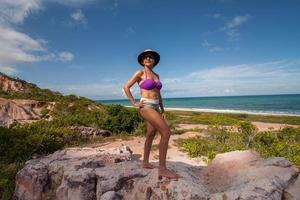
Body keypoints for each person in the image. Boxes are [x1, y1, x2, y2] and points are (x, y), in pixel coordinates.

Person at [123, 49, 181, 180]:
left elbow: (158, 94)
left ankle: (145, 162)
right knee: (166, 132)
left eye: (150, 57)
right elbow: (126, 87)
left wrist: (162, 109)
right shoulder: (140, 73)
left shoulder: (157, 75)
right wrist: (134, 103)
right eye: (145, 57)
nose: (148, 58)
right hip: (146, 106)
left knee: (150, 134)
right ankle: (162, 169)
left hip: (155, 106)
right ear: (142, 61)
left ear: (154, 60)